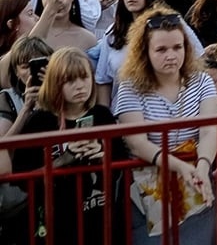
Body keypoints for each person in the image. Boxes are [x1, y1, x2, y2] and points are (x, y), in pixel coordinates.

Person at [113, 5, 217, 245]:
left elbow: (210, 129)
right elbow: (137, 142)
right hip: (148, 186)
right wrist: (179, 166)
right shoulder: (130, 86)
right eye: (161, 49)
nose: (171, 55)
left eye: (177, 47)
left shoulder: (202, 81)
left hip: (196, 179)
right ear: (145, 52)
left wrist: (202, 167)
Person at [3, 47, 125, 245]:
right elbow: (23, 179)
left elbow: (122, 167)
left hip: (102, 222)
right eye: (70, 80)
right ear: (54, 82)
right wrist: (64, 160)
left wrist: (101, 155)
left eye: (84, 77)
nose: (80, 86)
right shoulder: (40, 122)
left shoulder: (103, 115)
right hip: (56, 225)